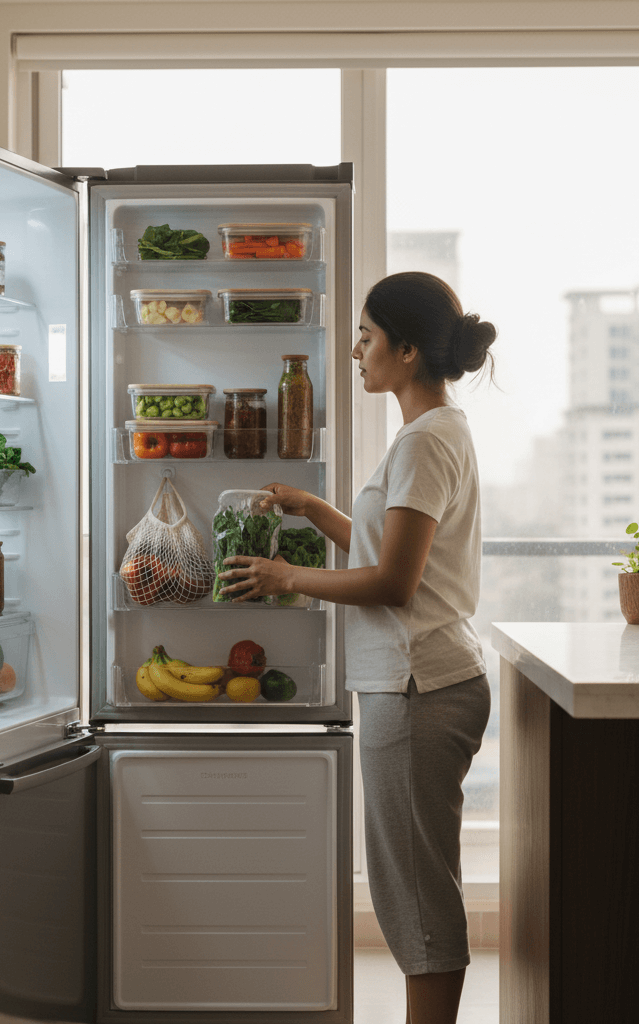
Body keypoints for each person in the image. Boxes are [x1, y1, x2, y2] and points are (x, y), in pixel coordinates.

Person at [218, 271, 497, 1024]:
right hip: (426, 681)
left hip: (417, 690)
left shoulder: (423, 441)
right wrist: (316, 510)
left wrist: (287, 576)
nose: (354, 350)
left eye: (367, 336)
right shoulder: (435, 432)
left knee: (413, 893)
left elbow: (394, 582)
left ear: (406, 351)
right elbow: (392, 547)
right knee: (412, 885)